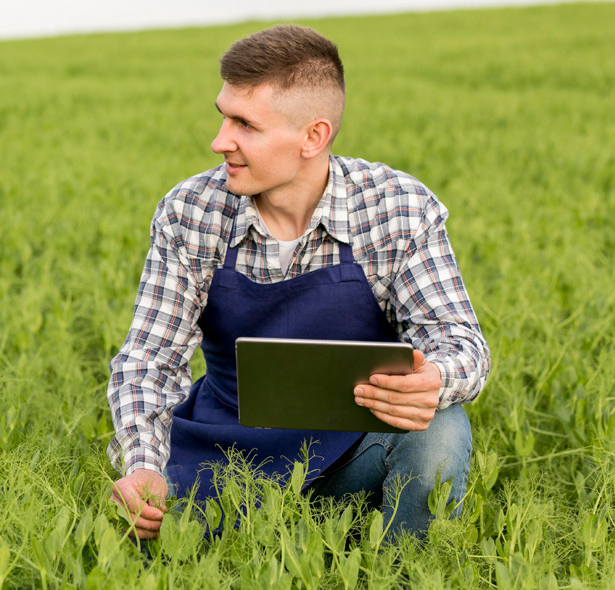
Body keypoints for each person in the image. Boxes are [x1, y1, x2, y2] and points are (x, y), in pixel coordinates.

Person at [106, 24, 490, 541]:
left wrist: (434, 379)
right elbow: (149, 360)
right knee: (170, 547)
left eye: (246, 124)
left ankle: (404, 572)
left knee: (442, 427)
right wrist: (143, 465)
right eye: (223, 115)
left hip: (350, 451)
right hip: (224, 457)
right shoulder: (191, 211)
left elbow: (461, 342)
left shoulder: (397, 206)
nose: (219, 141)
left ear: (314, 136)